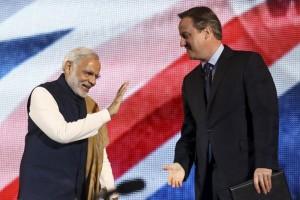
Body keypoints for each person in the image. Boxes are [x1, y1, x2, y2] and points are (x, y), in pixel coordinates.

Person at [164, 7, 279, 200]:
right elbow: (190, 133)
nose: (181, 43)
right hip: (207, 185)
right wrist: (181, 164)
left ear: (207, 32)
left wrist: (265, 163)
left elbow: (265, 116)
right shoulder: (190, 82)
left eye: (186, 35)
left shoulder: (247, 63)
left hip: (248, 179)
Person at [18, 47, 128, 200]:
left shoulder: (91, 106)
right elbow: (61, 133)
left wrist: (111, 193)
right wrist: (107, 113)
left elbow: (99, 154)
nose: (93, 81)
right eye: (88, 73)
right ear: (68, 67)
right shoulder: (43, 94)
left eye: (96, 76)